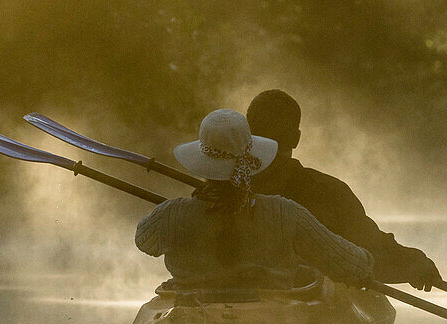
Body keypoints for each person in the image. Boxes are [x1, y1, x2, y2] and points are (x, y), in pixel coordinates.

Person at [135, 109, 374, 291]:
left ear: (202, 164)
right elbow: (347, 263)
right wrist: (365, 263)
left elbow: (145, 242)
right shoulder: (285, 212)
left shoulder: (171, 214)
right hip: (271, 314)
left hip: (193, 307)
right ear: (250, 164)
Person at [246, 89, 443, 291]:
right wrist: (414, 264)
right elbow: (370, 249)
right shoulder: (328, 193)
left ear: (246, 136)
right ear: (296, 139)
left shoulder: (222, 187)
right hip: (303, 301)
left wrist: (411, 263)